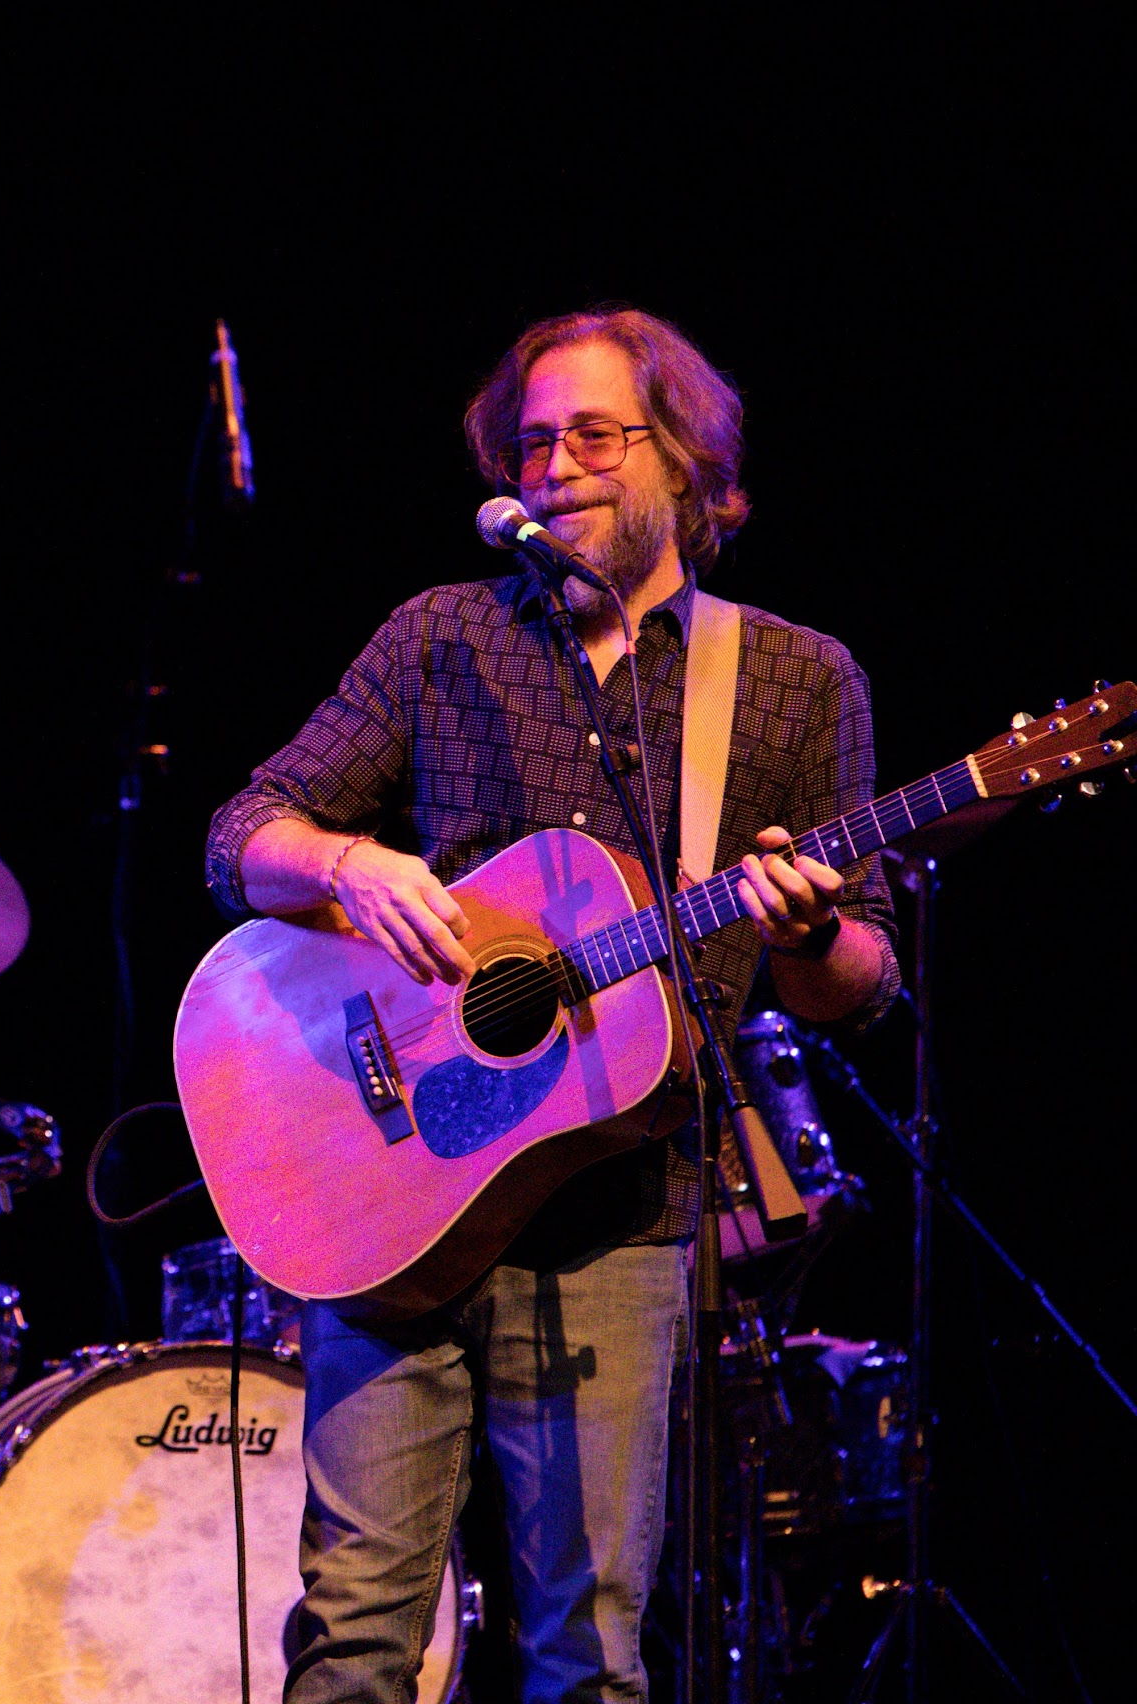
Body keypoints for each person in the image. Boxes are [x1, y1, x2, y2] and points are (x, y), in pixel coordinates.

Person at [202, 307, 899, 1701]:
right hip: (396, 1204)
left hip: (620, 1218)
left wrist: (810, 929)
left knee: (589, 1659)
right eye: (535, 441)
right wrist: (346, 859)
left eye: (595, 434)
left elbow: (861, 989)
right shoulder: (440, 637)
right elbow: (242, 835)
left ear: (687, 464)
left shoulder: (794, 682)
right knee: (352, 1644)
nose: (558, 464)